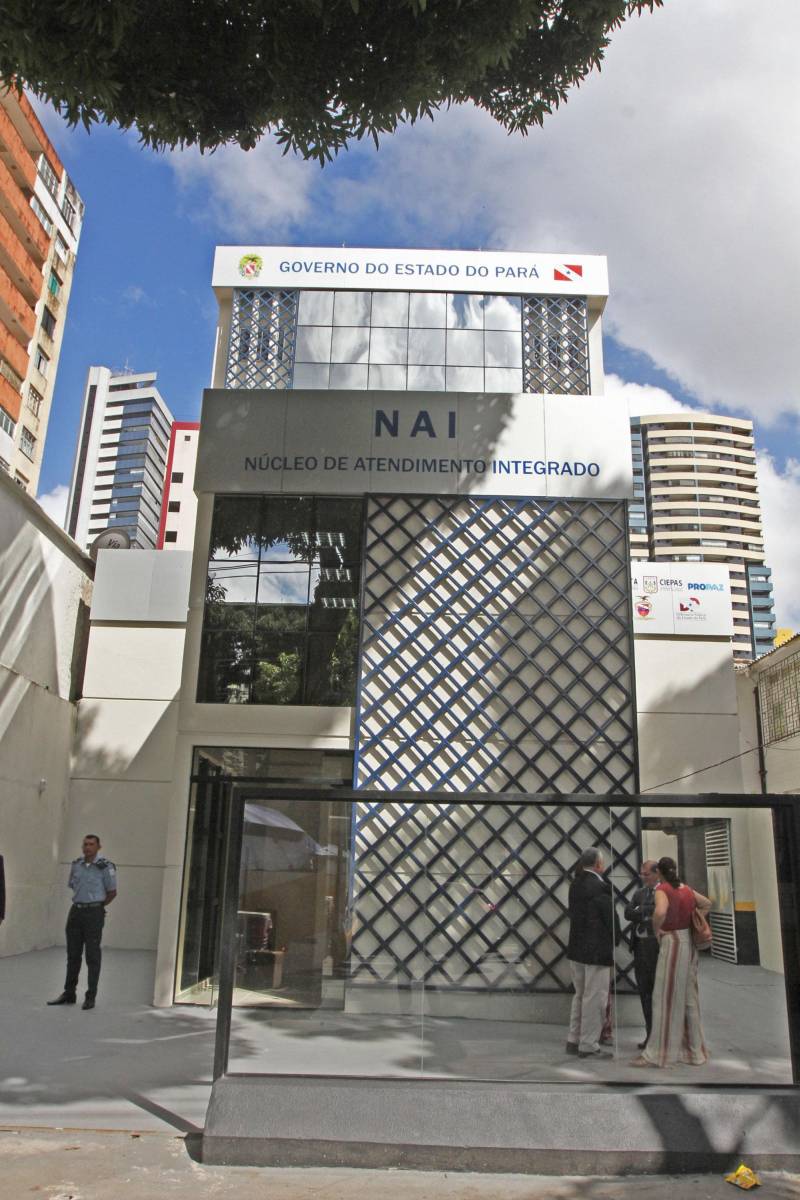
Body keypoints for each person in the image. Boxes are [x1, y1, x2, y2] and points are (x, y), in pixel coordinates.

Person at [631, 856, 711, 1067]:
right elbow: (707, 903)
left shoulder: (663, 890)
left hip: (673, 942)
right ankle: (694, 1051)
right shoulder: (686, 889)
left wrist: (658, 929)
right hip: (689, 944)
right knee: (689, 998)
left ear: (659, 873)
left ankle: (658, 1053)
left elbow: (660, 912)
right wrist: (693, 918)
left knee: (664, 997)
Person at [48, 835, 117, 1011]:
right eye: (85, 844)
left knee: (92, 956)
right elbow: (72, 885)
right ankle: (69, 993)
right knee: (72, 955)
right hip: (76, 912)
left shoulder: (106, 867)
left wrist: (97, 906)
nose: (87, 848)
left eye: (91, 844)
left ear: (99, 846)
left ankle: (90, 996)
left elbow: (112, 892)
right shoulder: (76, 865)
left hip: (93, 913)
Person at [565, 847, 621, 1059]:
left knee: (580, 995)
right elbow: (610, 920)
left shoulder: (575, 884)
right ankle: (588, 1043)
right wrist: (615, 939)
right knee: (595, 998)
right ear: (599, 864)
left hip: (577, 947)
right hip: (596, 950)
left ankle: (574, 1038)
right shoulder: (600, 887)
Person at [624, 859, 660, 1049]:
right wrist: (643, 912)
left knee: (657, 993)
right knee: (644, 992)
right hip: (640, 948)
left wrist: (641, 910)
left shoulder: (663, 893)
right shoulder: (639, 893)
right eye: (642, 874)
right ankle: (650, 1034)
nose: (643, 878)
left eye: (646, 874)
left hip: (656, 948)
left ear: (657, 873)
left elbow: (655, 911)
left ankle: (660, 1035)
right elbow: (628, 912)